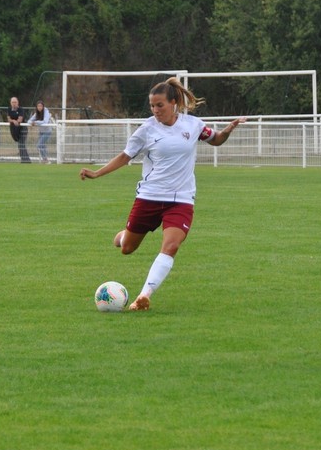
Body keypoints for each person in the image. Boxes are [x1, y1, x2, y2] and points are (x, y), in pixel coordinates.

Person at [79, 77, 247, 311]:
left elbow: (215, 139)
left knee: (171, 246)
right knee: (127, 248)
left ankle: (143, 296)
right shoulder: (146, 129)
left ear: (174, 103)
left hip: (181, 200)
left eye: (160, 105)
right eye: (152, 106)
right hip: (149, 197)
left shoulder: (193, 125)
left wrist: (227, 130)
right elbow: (125, 156)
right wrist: (97, 173)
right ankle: (122, 236)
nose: (155, 110)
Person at [7, 96, 31, 163]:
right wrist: (13, 121)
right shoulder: (9, 109)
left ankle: (26, 160)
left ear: (18, 103)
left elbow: (20, 119)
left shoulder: (21, 109)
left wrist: (17, 121)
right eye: (12, 102)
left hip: (22, 129)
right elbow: (8, 119)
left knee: (21, 144)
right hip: (14, 129)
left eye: (15, 102)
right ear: (10, 103)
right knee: (20, 144)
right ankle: (25, 160)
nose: (14, 103)